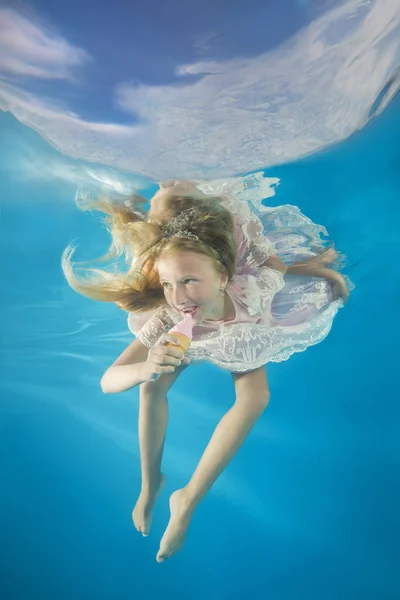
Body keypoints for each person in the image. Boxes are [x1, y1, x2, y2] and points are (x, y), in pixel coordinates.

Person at [62, 172, 352, 563]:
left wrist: (321, 270)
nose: (178, 298)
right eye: (167, 285)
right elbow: (108, 381)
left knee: (256, 397)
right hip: (188, 321)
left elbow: (275, 268)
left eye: (188, 282)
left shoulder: (252, 289)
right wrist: (146, 366)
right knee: (152, 386)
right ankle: (150, 485)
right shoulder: (168, 316)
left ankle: (187, 499)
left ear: (223, 279)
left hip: (236, 325)